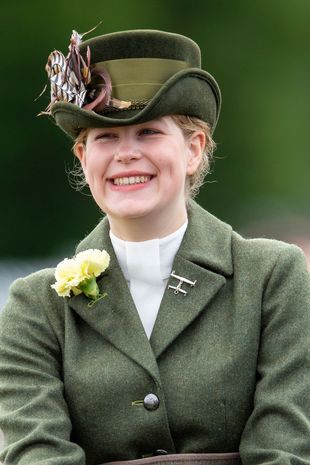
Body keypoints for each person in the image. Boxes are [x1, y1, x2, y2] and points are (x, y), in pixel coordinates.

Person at [0, 28, 309, 465]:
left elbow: (287, 448)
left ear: (193, 150)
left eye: (148, 132)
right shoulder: (36, 305)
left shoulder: (273, 276)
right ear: (84, 158)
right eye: (105, 137)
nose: (126, 153)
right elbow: (35, 455)